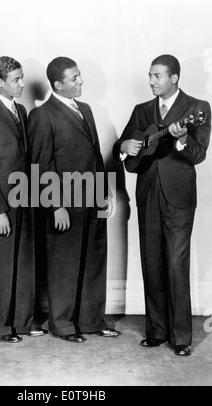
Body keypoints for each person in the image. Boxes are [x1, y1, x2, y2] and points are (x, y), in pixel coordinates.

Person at [113, 54, 211, 356]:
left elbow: (198, 155)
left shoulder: (197, 109)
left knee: (176, 265)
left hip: (179, 198)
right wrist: (123, 146)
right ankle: (156, 330)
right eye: (150, 75)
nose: (151, 81)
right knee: (151, 262)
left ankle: (181, 338)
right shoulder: (142, 110)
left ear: (174, 78)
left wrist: (181, 140)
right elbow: (126, 146)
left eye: (157, 75)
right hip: (148, 194)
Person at [28, 57, 120, 343]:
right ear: (58, 84)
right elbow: (40, 165)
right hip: (65, 205)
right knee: (64, 265)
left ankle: (92, 321)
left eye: (80, 76)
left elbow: (93, 154)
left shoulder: (87, 110)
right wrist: (56, 206)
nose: (81, 81)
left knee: (94, 261)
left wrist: (104, 191)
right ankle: (63, 324)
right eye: (75, 78)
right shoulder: (42, 116)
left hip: (92, 199)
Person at [0, 56, 47, 343]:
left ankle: (23, 321)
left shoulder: (22, 112)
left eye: (22, 77)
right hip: (1, 207)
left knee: (24, 264)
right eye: (16, 79)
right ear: (0, 82)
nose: (22, 83)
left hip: (24, 202)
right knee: (1, 268)